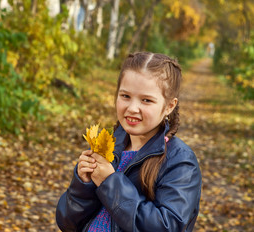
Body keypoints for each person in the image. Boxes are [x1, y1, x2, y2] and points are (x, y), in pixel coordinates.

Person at [56, 52, 202, 232]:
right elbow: (66, 223)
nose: (132, 108)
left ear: (169, 106)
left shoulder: (179, 161)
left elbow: (166, 227)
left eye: (146, 100)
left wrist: (109, 182)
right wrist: (82, 186)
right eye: (125, 96)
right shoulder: (105, 146)